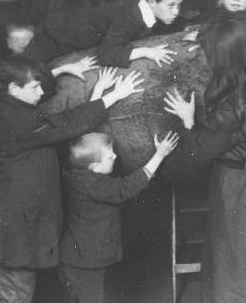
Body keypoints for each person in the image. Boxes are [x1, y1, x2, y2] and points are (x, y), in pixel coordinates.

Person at [0, 57, 144, 303]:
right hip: (17, 219)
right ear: (14, 89)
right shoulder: (17, 120)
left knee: (20, 283)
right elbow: (67, 124)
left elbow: (59, 120)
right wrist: (115, 95)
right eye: (34, 87)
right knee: (14, 289)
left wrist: (70, 73)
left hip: (22, 213)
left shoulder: (14, 106)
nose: (42, 91)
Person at [163, 18, 246, 302]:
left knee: (232, 261)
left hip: (235, 187)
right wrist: (214, 34)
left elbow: (199, 153)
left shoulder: (232, 105)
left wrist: (188, 122)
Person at [59, 130, 179, 303]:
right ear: (94, 166)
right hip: (86, 264)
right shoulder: (93, 184)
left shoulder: (75, 174)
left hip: (77, 259)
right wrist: (159, 155)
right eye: (109, 155)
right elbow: (126, 188)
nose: (115, 156)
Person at [4, 0, 184, 68]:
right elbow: (106, 54)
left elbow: (175, 23)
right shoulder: (128, 17)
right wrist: (145, 52)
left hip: (70, 25)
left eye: (179, 5)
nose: (176, 11)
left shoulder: (148, 7)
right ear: (152, 1)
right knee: (24, 72)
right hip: (58, 35)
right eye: (171, 5)